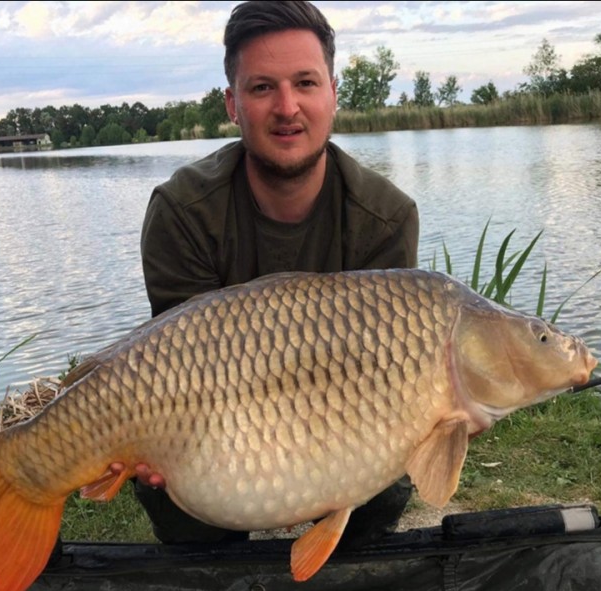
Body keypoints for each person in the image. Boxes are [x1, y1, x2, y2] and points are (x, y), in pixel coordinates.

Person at [135, 0, 419, 547]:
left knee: (386, 473)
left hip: (344, 412)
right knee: (171, 483)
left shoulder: (385, 216)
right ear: (233, 104)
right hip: (209, 414)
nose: (287, 108)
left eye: (305, 83)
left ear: (333, 93)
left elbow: (386, 379)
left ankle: (341, 560)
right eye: (263, 87)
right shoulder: (182, 211)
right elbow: (176, 373)